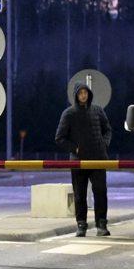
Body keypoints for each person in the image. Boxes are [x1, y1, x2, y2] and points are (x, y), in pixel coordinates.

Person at [55, 79, 112, 237]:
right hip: (78, 161)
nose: (83, 95)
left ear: (89, 94)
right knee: (79, 194)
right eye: (80, 93)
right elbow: (59, 138)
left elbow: (108, 130)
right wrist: (75, 148)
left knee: (100, 192)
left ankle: (102, 224)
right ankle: (81, 225)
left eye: (85, 92)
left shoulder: (98, 110)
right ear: (75, 95)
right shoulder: (69, 113)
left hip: (98, 159)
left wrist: (104, 143)